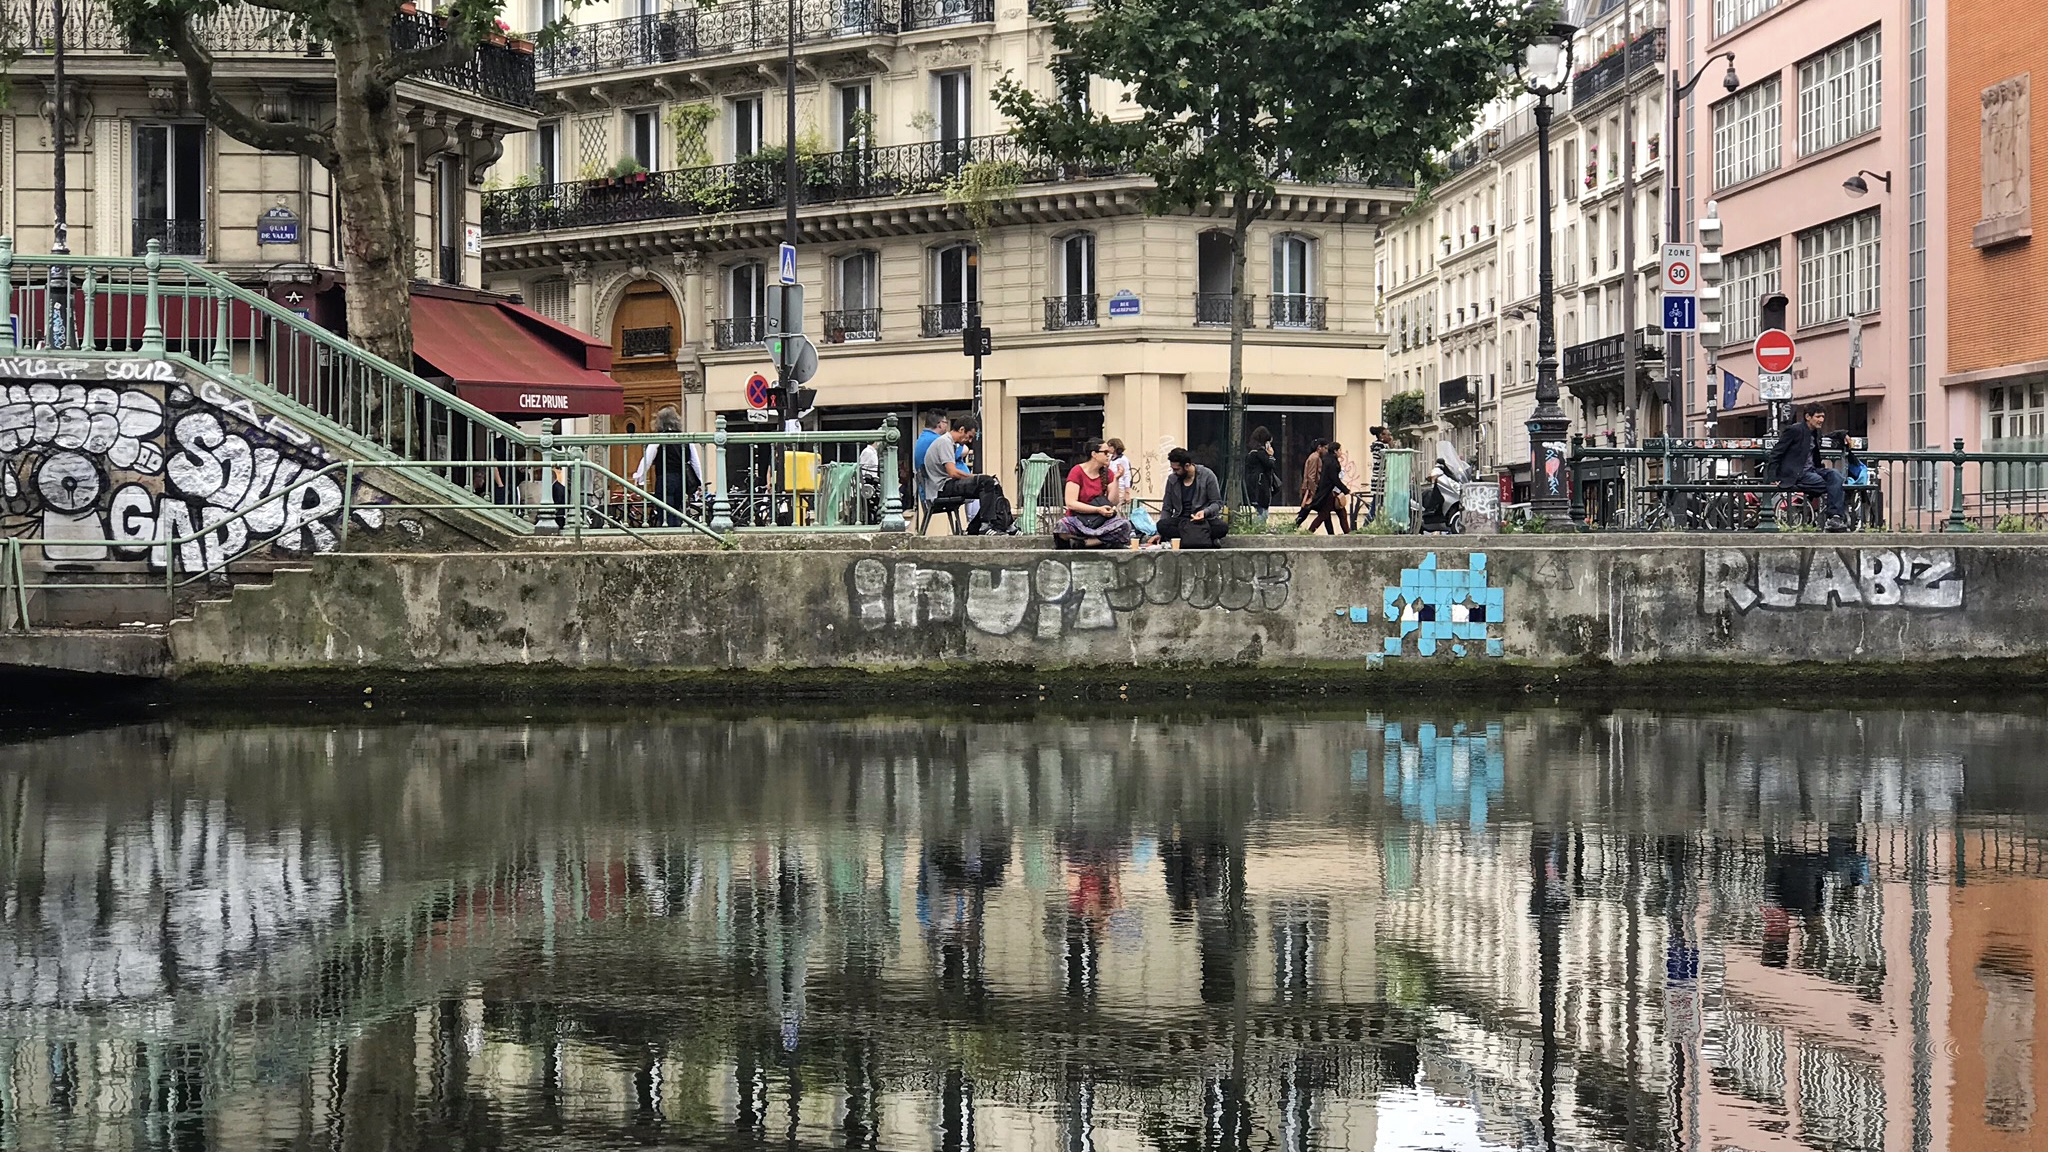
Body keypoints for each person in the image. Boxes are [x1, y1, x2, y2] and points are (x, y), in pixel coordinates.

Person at [921, 414, 1019, 534]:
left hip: (946, 485)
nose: (970, 440)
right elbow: (952, 472)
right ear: (962, 430)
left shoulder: (949, 443)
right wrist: (975, 477)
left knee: (994, 484)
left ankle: (1004, 524)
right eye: (969, 436)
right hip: (941, 488)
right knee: (986, 481)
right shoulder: (944, 442)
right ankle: (985, 526)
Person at [1768, 403, 1848, 531]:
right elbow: (1777, 452)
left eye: (1823, 416)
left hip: (1812, 470)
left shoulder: (1815, 432)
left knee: (1835, 475)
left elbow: (1826, 438)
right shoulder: (1794, 430)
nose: (1821, 420)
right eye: (1818, 416)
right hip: (1797, 473)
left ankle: (1835, 517)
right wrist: (1773, 476)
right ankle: (1833, 516)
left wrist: (1842, 434)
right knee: (1830, 485)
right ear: (1807, 417)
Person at [1054, 438, 1133, 547]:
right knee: (1061, 527)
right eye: (1105, 452)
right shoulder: (1077, 471)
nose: (1108, 456)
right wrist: (1097, 509)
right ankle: (1093, 539)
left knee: (1125, 526)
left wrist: (1116, 479)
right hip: (1079, 519)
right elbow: (1070, 503)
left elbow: (1112, 501)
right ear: (1094, 454)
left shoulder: (1108, 473)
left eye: (1109, 453)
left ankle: (1087, 543)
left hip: (1100, 521)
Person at [631, 405, 700, 527]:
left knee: (665, 510)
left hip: (664, 479)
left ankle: (669, 531)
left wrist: (639, 479)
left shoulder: (658, 439)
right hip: (681, 479)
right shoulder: (686, 439)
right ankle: (677, 531)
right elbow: (695, 462)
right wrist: (699, 481)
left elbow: (646, 460)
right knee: (677, 508)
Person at [1153, 447, 1227, 548]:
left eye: (1177, 469)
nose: (1174, 472)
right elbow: (1167, 507)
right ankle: (1205, 540)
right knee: (1162, 525)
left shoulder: (1208, 475)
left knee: (1222, 527)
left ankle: (1185, 541)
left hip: (1203, 521)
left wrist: (1205, 512)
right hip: (1181, 522)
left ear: (1187, 466)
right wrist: (1159, 534)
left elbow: (1217, 503)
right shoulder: (1172, 479)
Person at [1303, 440, 1353, 535]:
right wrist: (1346, 490)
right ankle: (1309, 532)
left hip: (1330, 492)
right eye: (1340, 450)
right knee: (1324, 514)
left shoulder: (1327, 460)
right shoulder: (1331, 463)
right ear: (1335, 451)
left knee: (1340, 512)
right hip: (1329, 493)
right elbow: (1335, 479)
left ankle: (1347, 532)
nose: (1341, 452)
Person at [1245, 426, 1281, 518]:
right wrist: (1271, 455)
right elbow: (1271, 464)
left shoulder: (1252, 452)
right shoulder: (1260, 453)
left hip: (1253, 487)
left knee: (1260, 512)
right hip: (1261, 489)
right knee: (1263, 514)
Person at [1293, 437, 1330, 528]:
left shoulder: (1315, 457)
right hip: (1312, 490)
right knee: (1309, 511)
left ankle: (1293, 527)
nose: (1326, 451)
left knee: (1323, 512)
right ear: (1319, 447)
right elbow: (1311, 476)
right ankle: (1293, 527)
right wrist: (1314, 492)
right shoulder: (1315, 458)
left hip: (1311, 489)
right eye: (1325, 448)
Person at [1367, 425, 1393, 520]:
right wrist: (1391, 445)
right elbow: (1388, 458)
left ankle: (1371, 521)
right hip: (1380, 478)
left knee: (1378, 502)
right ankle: (1368, 521)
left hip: (1380, 478)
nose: (1390, 437)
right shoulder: (1380, 445)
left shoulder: (1379, 445)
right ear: (1381, 435)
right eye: (1388, 434)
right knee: (1377, 502)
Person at [1105, 437, 1132, 504]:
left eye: (1109, 446)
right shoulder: (1110, 458)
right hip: (1110, 486)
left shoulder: (1123, 459)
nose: (1108, 448)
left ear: (1115, 447)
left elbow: (1127, 475)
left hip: (1120, 486)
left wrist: (1127, 492)